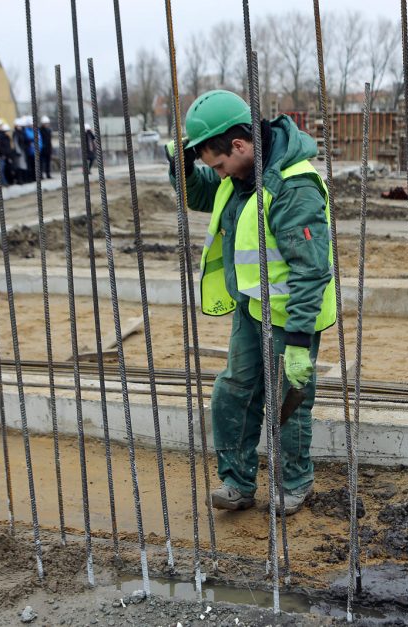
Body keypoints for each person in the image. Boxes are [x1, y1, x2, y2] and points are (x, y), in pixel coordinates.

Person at [165, 89, 335, 515]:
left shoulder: (293, 187)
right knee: (233, 392)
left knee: (288, 401)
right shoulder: (239, 176)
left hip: (290, 317)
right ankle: (238, 483)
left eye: (218, 164)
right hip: (251, 309)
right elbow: (201, 195)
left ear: (239, 145)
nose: (217, 174)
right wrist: (180, 167)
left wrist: (297, 341)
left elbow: (310, 271)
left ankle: (295, 484)